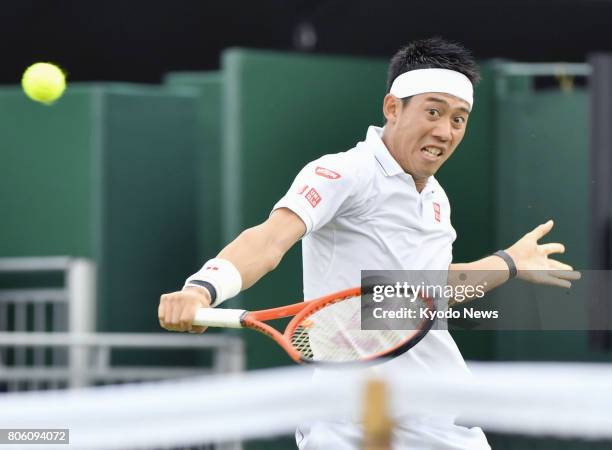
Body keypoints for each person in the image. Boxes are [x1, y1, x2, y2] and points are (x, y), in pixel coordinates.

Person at [158, 37, 580, 449]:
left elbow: (422, 293)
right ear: (392, 108)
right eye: (433, 111)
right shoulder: (344, 172)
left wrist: (509, 262)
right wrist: (203, 287)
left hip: (441, 417)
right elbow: (269, 241)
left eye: (458, 119)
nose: (445, 130)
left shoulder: (436, 199)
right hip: (350, 422)